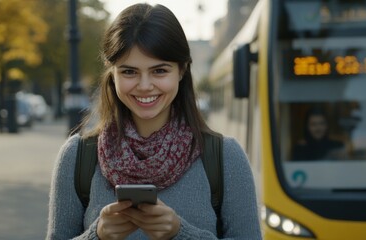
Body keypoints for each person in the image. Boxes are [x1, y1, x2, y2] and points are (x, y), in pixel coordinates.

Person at [46, 3, 261, 240]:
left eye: (159, 71)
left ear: (181, 71)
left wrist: (180, 234)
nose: (145, 85)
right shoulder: (77, 157)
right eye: (129, 72)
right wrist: (97, 235)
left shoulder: (226, 157)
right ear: (112, 72)